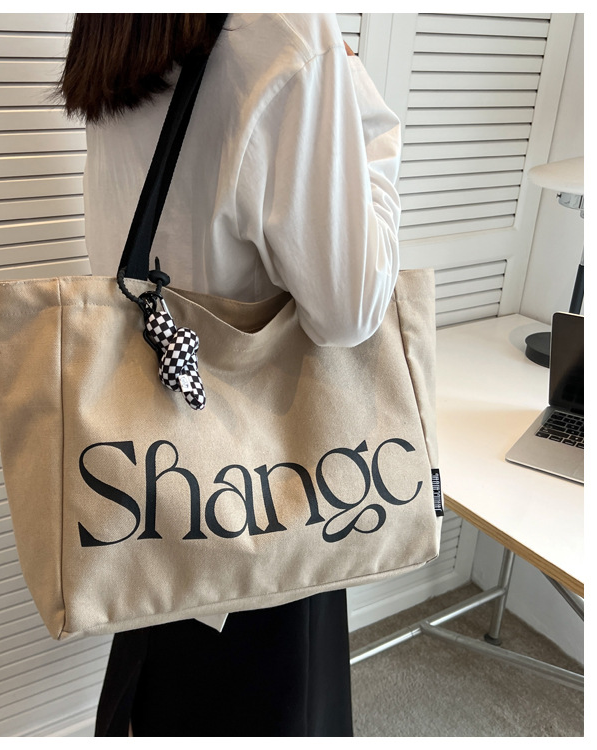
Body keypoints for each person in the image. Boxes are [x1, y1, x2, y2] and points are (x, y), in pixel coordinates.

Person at [58, 13, 401, 737]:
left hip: (154, 467)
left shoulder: (121, 27)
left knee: (166, 686)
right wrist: (355, 100)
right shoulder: (286, 29)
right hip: (266, 486)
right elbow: (353, 307)